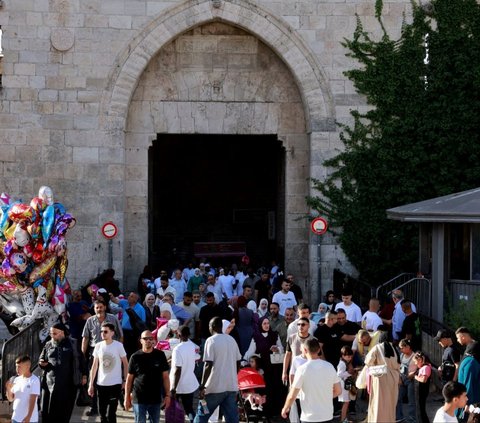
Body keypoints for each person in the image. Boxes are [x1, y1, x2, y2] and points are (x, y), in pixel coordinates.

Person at [281, 338, 341, 422]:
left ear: (305, 350)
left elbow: (292, 395)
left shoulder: (302, 370)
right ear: (319, 350)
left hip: (309, 417)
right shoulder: (330, 367)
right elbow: (338, 391)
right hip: (327, 415)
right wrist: (323, 397)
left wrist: (285, 408)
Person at [194, 316, 241, 423]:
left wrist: (202, 386)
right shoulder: (231, 339)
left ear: (213, 327)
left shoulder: (211, 340)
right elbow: (238, 360)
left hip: (214, 388)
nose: (209, 329)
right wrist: (234, 374)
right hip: (231, 387)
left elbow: (208, 364)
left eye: (209, 326)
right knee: (232, 419)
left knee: (202, 416)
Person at [81, 299, 123, 417]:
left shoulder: (113, 319)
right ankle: (94, 407)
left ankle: (116, 402)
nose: (99, 309)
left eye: (100, 307)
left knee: (112, 378)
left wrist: (119, 351)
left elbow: (120, 335)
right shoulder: (90, 321)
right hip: (94, 353)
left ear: (105, 307)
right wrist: (82, 355)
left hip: (111, 353)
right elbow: (85, 338)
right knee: (93, 380)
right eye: (96, 307)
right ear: (94, 309)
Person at [39, 323, 87, 423]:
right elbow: (41, 359)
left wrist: (84, 375)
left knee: (65, 411)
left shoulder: (73, 343)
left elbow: (82, 360)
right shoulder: (48, 344)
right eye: (51, 333)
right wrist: (42, 363)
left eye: (54, 333)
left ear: (62, 333)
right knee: (47, 412)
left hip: (68, 384)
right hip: (50, 384)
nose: (52, 336)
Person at [125, 330, 170, 423]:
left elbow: (166, 377)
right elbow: (129, 379)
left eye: (151, 338)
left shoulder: (160, 355)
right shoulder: (135, 357)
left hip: (156, 398)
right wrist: (126, 398)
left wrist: (168, 395)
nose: (148, 340)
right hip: (139, 398)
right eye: (145, 338)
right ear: (141, 340)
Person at [88, 322, 129, 423]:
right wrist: (91, 384)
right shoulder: (98, 346)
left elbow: (126, 364)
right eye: (101, 331)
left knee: (111, 413)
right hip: (101, 384)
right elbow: (94, 366)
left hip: (115, 384)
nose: (103, 333)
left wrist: (125, 381)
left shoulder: (119, 346)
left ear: (112, 333)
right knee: (102, 413)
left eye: (105, 331)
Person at [364, 331, 401, 423]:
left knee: (378, 403)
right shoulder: (395, 349)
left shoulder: (377, 347)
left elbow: (368, 361)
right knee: (390, 403)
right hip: (393, 378)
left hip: (381, 377)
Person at [170, 326, 200, 423]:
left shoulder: (177, 349)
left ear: (179, 335)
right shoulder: (192, 346)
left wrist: (173, 388)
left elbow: (178, 369)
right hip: (189, 384)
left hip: (178, 385)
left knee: (174, 409)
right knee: (189, 409)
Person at [111, 292, 147, 358]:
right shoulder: (125, 303)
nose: (129, 297)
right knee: (123, 350)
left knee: (131, 351)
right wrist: (111, 296)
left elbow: (143, 324)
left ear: (136, 299)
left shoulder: (141, 309)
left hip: (134, 333)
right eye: (129, 296)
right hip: (123, 332)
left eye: (131, 296)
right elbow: (115, 300)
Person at [6, 355, 40, 423]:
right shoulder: (16, 379)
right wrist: (8, 389)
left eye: (19, 367)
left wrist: (28, 417)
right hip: (15, 418)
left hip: (30, 420)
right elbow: (11, 399)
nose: (17, 369)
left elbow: (32, 400)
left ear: (28, 366)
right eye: (16, 367)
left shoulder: (35, 380)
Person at [282, 317, 316, 384]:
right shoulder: (291, 338)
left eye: (303, 324)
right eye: (298, 324)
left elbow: (317, 357)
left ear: (308, 326)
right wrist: (284, 372)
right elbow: (287, 355)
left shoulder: (314, 340)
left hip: (310, 372)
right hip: (294, 371)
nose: (300, 326)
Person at [396, 338, 418, 423]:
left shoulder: (415, 356)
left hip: (411, 381)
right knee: (398, 398)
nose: (401, 350)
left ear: (408, 347)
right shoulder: (401, 356)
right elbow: (397, 367)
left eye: (402, 348)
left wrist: (412, 374)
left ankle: (412, 419)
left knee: (411, 400)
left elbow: (418, 368)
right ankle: (399, 417)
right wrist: (399, 378)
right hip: (402, 380)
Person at [337, 345, 356, 423]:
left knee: (346, 402)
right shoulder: (342, 364)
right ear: (343, 355)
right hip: (343, 385)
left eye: (350, 356)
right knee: (346, 402)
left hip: (345, 384)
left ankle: (344, 418)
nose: (350, 358)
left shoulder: (344, 362)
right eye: (348, 356)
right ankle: (343, 419)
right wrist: (349, 372)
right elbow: (339, 374)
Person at [458, 342, 480, 409]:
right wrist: (467, 403)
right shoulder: (471, 362)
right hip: (470, 404)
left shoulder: (468, 360)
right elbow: (468, 383)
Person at [414, 351, 433, 423]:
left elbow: (424, 380)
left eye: (416, 361)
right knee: (419, 410)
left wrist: (415, 377)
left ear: (420, 360)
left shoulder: (426, 367)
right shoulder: (423, 367)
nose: (415, 363)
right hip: (419, 392)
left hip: (422, 392)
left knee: (421, 410)